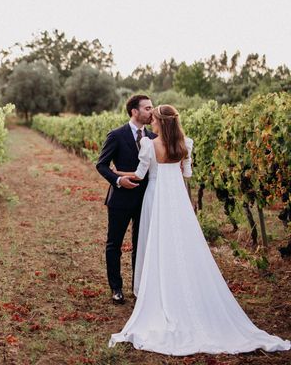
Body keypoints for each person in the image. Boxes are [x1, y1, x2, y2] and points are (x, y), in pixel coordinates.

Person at [109, 104, 291, 355]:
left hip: (156, 196)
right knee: (182, 243)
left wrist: (118, 173)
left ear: (161, 122)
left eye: (154, 119)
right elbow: (188, 174)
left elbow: (140, 175)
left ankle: (156, 290)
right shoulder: (186, 144)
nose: (151, 122)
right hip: (178, 198)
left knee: (157, 243)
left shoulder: (149, 145)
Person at [96, 95, 156, 305]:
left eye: (152, 107)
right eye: (147, 108)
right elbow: (101, 165)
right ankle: (116, 288)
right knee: (115, 244)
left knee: (141, 245)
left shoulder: (154, 137)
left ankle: (138, 287)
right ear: (134, 111)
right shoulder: (116, 135)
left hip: (145, 199)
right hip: (120, 198)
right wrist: (119, 180)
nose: (151, 112)